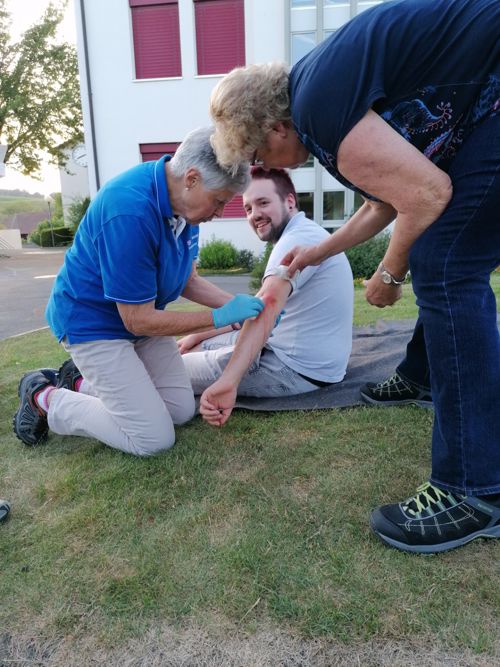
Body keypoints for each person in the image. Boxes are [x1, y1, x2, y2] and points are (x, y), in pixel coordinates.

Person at [208, 0, 500, 553]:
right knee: (443, 256)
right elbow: (382, 203)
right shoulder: (321, 89)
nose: (272, 166)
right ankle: (423, 376)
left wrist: (389, 274)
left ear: (275, 126)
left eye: (257, 152)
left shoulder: (320, 108)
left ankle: (474, 487)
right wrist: (316, 255)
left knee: (445, 264)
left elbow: (426, 195)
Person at [13, 127, 265, 457]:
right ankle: (45, 398)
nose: (219, 213)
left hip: (140, 320)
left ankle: (79, 383)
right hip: (93, 326)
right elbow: (137, 320)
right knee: (153, 439)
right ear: (191, 178)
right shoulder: (129, 211)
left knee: (179, 411)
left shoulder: (185, 211)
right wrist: (219, 317)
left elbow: (188, 281)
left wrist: (249, 305)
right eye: (219, 201)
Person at [179, 167, 353, 408]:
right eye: (248, 208)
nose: (255, 215)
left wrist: (229, 380)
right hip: (292, 351)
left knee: (170, 371)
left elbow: (267, 309)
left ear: (289, 201)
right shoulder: (303, 232)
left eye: (263, 203)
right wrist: (199, 335)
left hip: (294, 369)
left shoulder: (296, 240)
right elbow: (257, 307)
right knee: (190, 349)